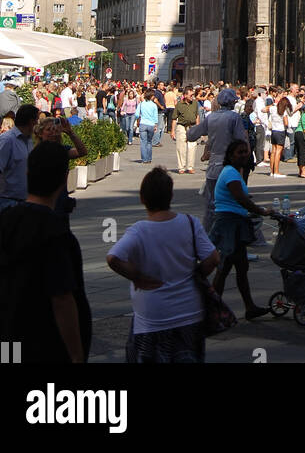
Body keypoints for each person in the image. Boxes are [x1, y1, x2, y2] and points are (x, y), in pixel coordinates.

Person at [0, 142, 91, 362]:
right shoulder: (58, 233)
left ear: (27, 172)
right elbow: (62, 298)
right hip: (41, 343)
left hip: (2, 342)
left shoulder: (3, 222)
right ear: (62, 179)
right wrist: (76, 355)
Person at [107, 166, 219, 362]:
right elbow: (213, 258)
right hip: (189, 311)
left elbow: (113, 258)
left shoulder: (139, 230)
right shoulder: (190, 223)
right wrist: (196, 274)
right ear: (171, 196)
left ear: (142, 198)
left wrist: (137, 277)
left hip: (152, 315)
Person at [207, 140, 269, 320]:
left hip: (234, 222)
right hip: (229, 223)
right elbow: (241, 198)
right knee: (224, 268)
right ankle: (213, 309)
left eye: (245, 152)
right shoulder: (231, 174)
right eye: (239, 152)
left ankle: (249, 307)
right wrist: (262, 211)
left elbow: (240, 196)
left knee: (241, 267)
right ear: (230, 155)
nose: (244, 155)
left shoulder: (233, 172)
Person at [186, 88, 250, 231]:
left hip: (213, 166)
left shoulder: (211, 117)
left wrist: (189, 130)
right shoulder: (234, 118)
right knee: (236, 200)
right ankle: (242, 234)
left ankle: (208, 234)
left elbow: (191, 135)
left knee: (211, 204)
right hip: (229, 166)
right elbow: (241, 141)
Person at [0, 103, 38, 215]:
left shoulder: (28, 140)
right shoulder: (6, 140)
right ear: (31, 121)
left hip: (24, 199)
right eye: (36, 120)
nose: (37, 124)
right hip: (7, 201)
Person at [171, 86, 200, 175]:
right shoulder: (179, 104)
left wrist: (198, 128)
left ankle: (190, 167)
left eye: (193, 95)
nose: (192, 96)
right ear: (185, 95)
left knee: (192, 147)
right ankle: (181, 167)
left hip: (192, 127)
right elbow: (174, 118)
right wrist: (172, 131)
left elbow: (197, 116)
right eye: (190, 95)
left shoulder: (195, 103)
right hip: (181, 127)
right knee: (181, 147)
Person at [135, 91, 160, 164]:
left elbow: (136, 114)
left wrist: (138, 118)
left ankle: (144, 159)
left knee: (143, 142)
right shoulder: (154, 105)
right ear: (151, 97)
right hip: (151, 124)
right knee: (149, 142)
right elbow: (155, 116)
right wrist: (155, 124)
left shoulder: (141, 104)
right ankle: (149, 158)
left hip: (143, 123)